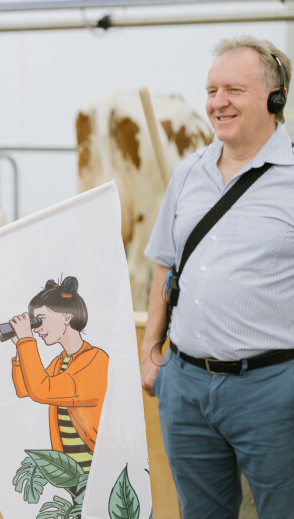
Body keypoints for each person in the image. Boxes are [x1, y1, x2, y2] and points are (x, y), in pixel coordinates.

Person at [141, 36, 293, 519]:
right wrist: (150, 350)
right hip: (184, 385)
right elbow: (165, 263)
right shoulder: (189, 173)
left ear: (275, 99)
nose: (217, 103)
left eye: (234, 90)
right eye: (211, 91)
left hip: (272, 388)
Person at [9, 276, 109, 474]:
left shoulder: (95, 360)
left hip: (96, 469)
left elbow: (41, 390)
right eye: (34, 322)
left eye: (41, 319)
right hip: (72, 472)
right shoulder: (60, 362)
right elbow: (25, 389)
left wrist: (26, 341)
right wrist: (20, 348)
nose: (37, 328)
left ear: (66, 317)